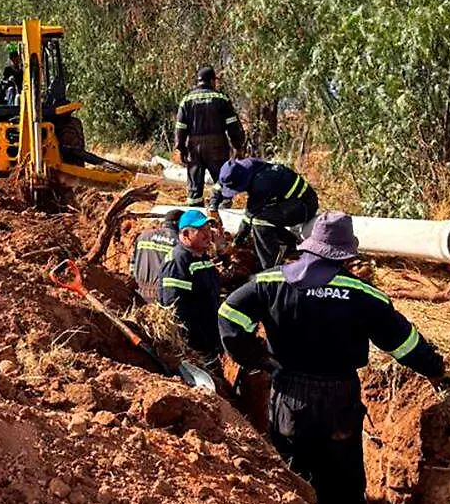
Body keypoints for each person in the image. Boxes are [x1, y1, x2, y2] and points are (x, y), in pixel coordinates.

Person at [216, 212, 449, 504]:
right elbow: (404, 344)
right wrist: (435, 370)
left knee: (290, 471)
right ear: (345, 253)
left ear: (310, 245)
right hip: (338, 400)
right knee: (342, 479)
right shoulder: (363, 295)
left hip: (288, 395)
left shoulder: (269, 283)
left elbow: (228, 316)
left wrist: (259, 358)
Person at [210, 157, 318, 269]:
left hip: (303, 205)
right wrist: (212, 207)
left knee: (259, 221)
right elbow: (220, 184)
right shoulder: (240, 168)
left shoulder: (261, 182)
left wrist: (236, 243)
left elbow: (249, 216)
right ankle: (288, 242)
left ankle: (268, 266)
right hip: (285, 201)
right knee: (263, 218)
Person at [158, 210, 223, 377]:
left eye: (208, 229)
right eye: (201, 231)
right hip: (196, 344)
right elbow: (173, 307)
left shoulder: (202, 258)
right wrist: (191, 345)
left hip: (210, 336)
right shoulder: (178, 261)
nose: (208, 235)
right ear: (186, 234)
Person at [174, 67, 245, 207]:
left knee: (194, 187)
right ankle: (220, 208)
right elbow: (232, 125)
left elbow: (180, 127)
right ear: (212, 81)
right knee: (222, 179)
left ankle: (196, 212)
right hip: (217, 147)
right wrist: (237, 146)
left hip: (194, 148)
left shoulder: (186, 100)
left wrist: (181, 148)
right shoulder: (221, 99)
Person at [129, 209, 184, 302]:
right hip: (163, 294)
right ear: (179, 224)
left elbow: (132, 266)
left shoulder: (143, 236)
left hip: (139, 292)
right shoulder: (180, 242)